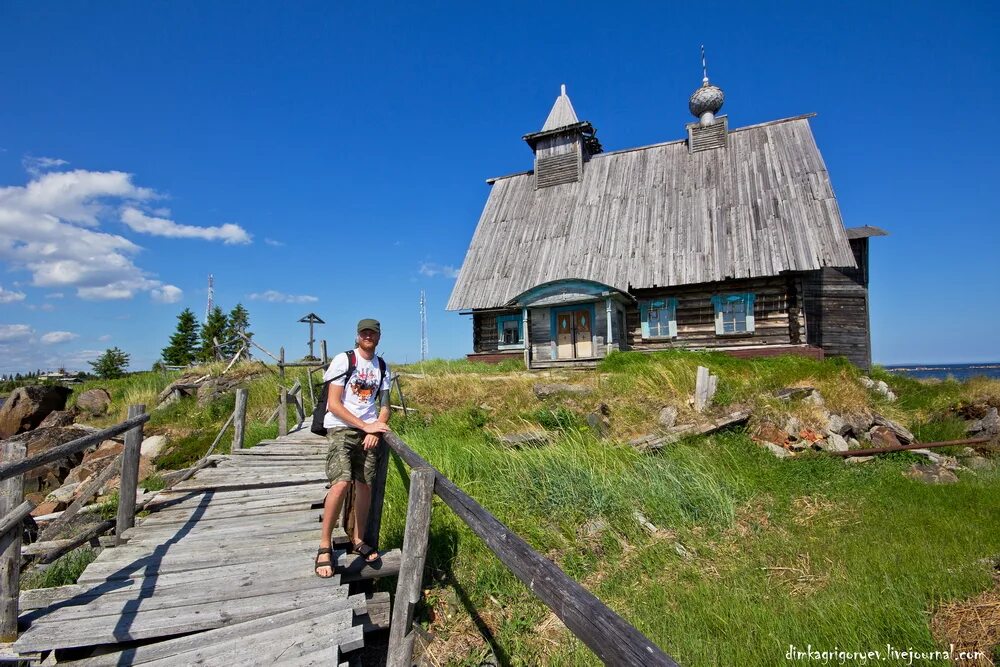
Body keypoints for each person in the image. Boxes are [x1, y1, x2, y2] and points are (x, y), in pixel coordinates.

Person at [315, 318, 391, 578]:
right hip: (340, 427)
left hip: (367, 432)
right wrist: (364, 426)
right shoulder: (344, 360)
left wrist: (377, 427)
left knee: (365, 484)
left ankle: (358, 539)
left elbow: (385, 406)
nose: (368, 336)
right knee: (342, 482)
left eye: (373, 333)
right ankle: (325, 545)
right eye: (364, 332)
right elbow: (334, 404)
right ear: (358, 336)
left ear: (379, 337)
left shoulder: (382, 366)